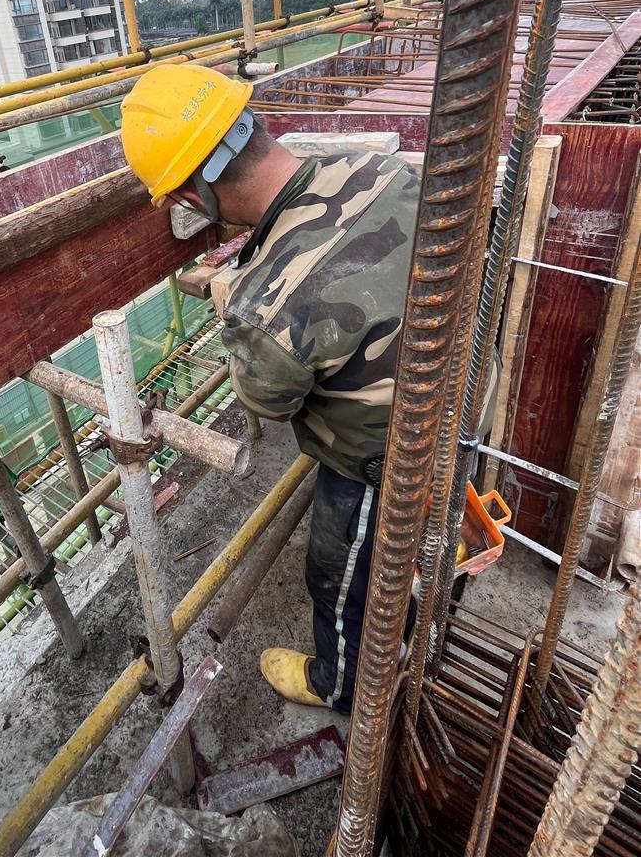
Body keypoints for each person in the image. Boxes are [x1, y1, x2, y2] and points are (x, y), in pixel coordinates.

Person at [120, 64, 491, 713]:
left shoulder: (265, 309)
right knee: (431, 508)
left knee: (337, 575)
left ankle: (340, 683)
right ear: (254, 124)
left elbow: (267, 402)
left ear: (189, 198)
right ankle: (430, 550)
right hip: (459, 399)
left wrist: (235, 298)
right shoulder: (377, 170)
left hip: (378, 460)